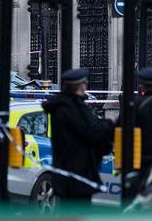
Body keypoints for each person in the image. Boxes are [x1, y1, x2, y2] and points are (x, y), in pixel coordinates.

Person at [42, 69, 114, 205]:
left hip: (68, 171)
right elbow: (93, 132)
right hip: (78, 172)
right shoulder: (72, 108)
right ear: (82, 85)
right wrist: (109, 125)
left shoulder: (62, 106)